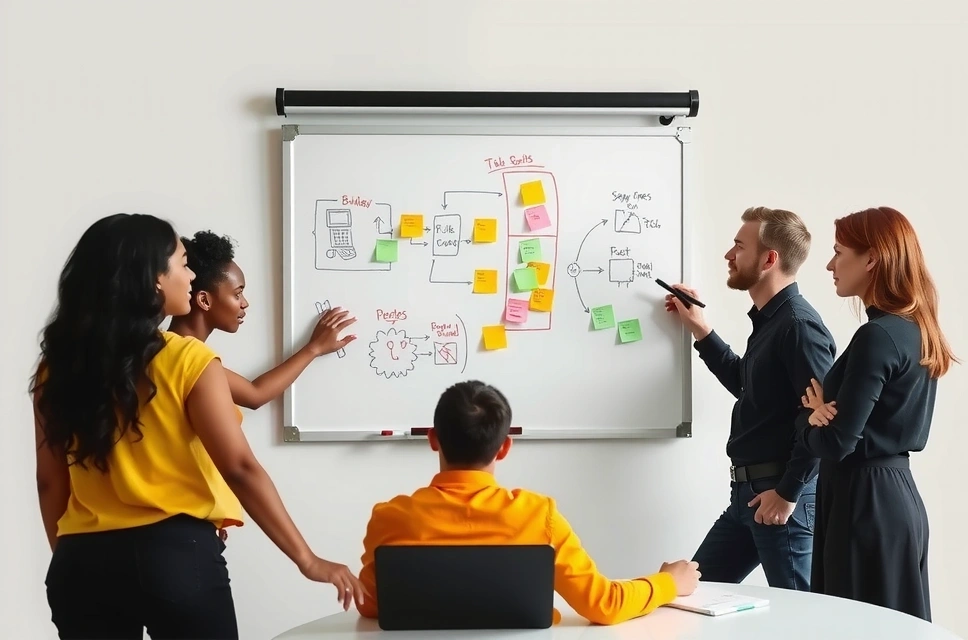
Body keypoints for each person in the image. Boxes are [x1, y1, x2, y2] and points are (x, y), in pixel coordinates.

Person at [32, 213, 365, 640]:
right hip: (174, 555)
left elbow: (48, 482)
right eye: (183, 263)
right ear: (155, 279)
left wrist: (72, 558)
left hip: (81, 560)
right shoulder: (188, 361)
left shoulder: (56, 368)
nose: (190, 276)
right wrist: (307, 559)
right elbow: (240, 468)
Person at [354, 380, 702, 626]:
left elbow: (370, 605)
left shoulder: (390, 517)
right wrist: (669, 582)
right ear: (504, 447)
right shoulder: (538, 515)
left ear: (433, 440)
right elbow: (603, 606)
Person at [664, 206, 836, 591]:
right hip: (747, 498)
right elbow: (747, 386)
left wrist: (788, 494)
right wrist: (701, 330)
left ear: (769, 259)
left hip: (779, 499)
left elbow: (824, 420)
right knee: (693, 592)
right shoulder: (771, 322)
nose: (729, 255)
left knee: (803, 621)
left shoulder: (798, 326)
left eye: (739, 246)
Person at [796, 206, 955, 621]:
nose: (830, 265)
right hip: (893, 498)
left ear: (871, 259)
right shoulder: (916, 330)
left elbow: (836, 442)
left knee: (854, 627)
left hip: (863, 503)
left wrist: (811, 420)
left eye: (838, 253)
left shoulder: (876, 336)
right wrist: (819, 417)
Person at [168, 230, 355, 410]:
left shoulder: (163, 348)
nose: (245, 303)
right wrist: (314, 348)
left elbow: (255, 394)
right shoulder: (191, 359)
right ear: (204, 300)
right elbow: (255, 396)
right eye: (238, 293)